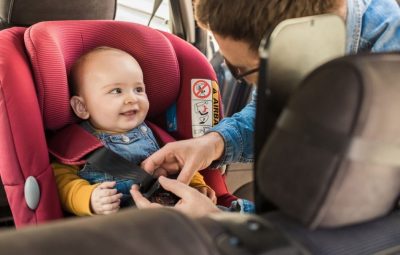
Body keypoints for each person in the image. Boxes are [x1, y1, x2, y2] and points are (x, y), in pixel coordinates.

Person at [131, 0, 400, 216]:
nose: (242, 79)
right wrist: (214, 143)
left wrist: (218, 221)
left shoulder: (390, 78)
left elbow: (362, 227)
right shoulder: (296, 47)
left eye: (241, 70)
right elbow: (271, 107)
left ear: (298, 42)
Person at [52, 46, 216, 216]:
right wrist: (90, 199)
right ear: (82, 107)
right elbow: (62, 182)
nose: (132, 99)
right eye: (116, 91)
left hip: (172, 215)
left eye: (138, 89)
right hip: (122, 225)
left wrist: (197, 186)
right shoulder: (76, 145)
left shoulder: (156, 135)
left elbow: (181, 162)